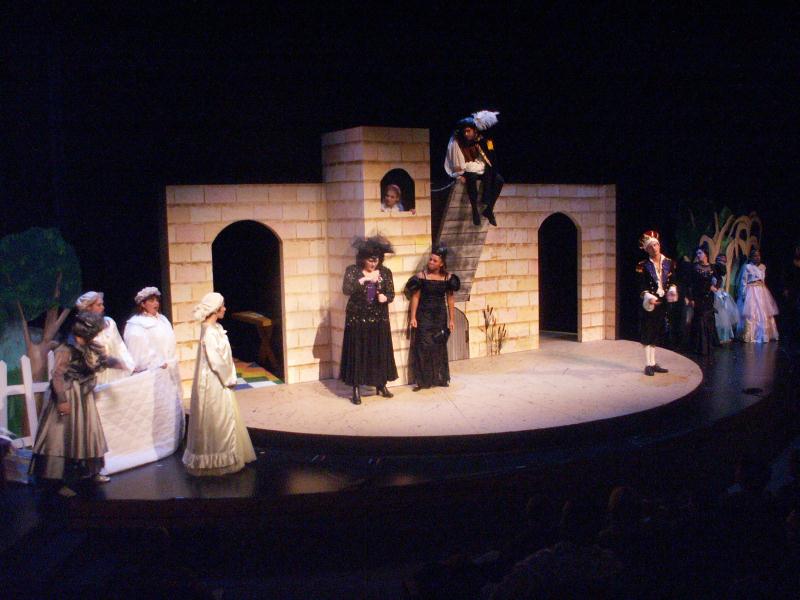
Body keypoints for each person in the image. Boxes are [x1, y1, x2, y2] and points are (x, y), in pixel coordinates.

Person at [30, 312, 124, 494]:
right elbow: (57, 376)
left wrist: (114, 362)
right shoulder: (66, 349)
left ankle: (87, 474)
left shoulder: (90, 347)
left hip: (83, 394)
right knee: (63, 435)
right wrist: (62, 400)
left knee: (86, 433)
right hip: (69, 392)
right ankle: (59, 482)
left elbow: (99, 362)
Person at [183, 292, 256, 476]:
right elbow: (215, 361)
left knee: (225, 416)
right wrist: (229, 378)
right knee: (218, 418)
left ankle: (229, 456)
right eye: (222, 306)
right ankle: (216, 461)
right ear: (215, 309)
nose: (224, 308)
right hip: (215, 381)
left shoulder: (216, 328)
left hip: (219, 379)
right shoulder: (209, 332)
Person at [339, 236, 398, 405]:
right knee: (358, 352)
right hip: (358, 317)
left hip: (378, 317)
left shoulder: (385, 272)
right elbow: (346, 289)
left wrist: (385, 297)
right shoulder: (353, 271)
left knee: (379, 351)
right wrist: (364, 280)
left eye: (376, 260)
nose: (373, 264)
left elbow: (391, 293)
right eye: (370, 260)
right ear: (363, 259)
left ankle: (381, 384)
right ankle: (356, 388)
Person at [123, 286, 185, 440]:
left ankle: (174, 439)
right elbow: (137, 353)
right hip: (152, 374)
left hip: (169, 372)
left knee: (171, 408)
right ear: (142, 304)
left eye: (157, 300)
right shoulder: (136, 324)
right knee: (157, 410)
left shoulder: (162, 319)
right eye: (151, 300)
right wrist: (156, 363)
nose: (156, 303)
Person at [407, 246, 461, 390]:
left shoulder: (448, 278)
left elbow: (450, 299)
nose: (430, 262)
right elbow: (415, 297)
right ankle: (424, 381)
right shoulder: (422, 277)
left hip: (440, 316)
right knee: (424, 346)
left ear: (441, 264)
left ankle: (439, 378)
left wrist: (452, 319)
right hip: (424, 315)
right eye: (430, 259)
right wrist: (413, 317)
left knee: (438, 346)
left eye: (434, 260)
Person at [444, 110, 504, 227]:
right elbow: (457, 161)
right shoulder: (459, 141)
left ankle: (489, 209)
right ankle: (474, 210)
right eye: (464, 131)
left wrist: (487, 146)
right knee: (471, 177)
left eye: (468, 131)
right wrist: (459, 175)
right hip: (468, 170)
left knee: (499, 179)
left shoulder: (483, 140)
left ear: (475, 130)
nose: (466, 134)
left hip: (482, 169)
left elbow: (491, 157)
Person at [636, 231, 678, 376]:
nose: (654, 248)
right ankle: (648, 364)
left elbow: (672, 281)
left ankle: (653, 363)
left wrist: (672, 289)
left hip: (662, 301)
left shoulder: (669, 263)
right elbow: (641, 285)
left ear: (659, 245)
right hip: (650, 302)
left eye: (655, 245)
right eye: (650, 247)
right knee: (648, 331)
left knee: (656, 331)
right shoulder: (643, 265)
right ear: (646, 250)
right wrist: (648, 297)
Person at [75, 291, 135, 385]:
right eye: (99, 305)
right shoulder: (82, 329)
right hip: (95, 377)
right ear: (88, 308)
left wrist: (129, 365)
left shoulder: (109, 323)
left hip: (115, 373)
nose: (103, 307)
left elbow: (120, 346)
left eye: (102, 304)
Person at [685, 244, 724, 355]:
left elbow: (719, 279)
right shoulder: (694, 267)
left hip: (708, 297)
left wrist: (716, 287)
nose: (698, 255)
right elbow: (690, 283)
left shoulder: (712, 267)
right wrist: (690, 298)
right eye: (697, 253)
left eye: (700, 253)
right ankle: (699, 347)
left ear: (706, 254)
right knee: (700, 319)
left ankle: (708, 347)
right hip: (698, 296)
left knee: (708, 319)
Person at [737, 247, 779, 343]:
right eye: (755, 256)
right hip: (751, 291)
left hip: (762, 291)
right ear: (751, 257)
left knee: (763, 312)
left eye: (758, 255)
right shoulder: (747, 267)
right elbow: (743, 281)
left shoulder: (763, 267)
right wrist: (743, 294)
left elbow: (763, 280)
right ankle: (750, 334)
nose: (757, 257)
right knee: (752, 312)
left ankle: (764, 334)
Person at [712, 254, 740, 343]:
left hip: (721, 294)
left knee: (723, 316)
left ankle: (723, 336)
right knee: (717, 316)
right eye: (721, 261)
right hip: (714, 294)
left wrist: (723, 293)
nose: (722, 263)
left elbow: (722, 285)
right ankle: (715, 336)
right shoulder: (712, 272)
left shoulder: (723, 274)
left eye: (724, 261)